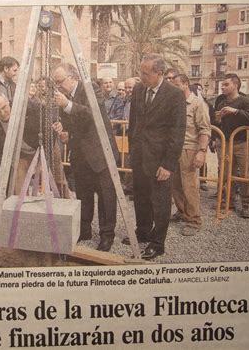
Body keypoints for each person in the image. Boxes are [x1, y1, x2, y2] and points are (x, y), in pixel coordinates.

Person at [52, 63, 119, 252]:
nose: (57, 86)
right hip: (80, 154)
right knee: (84, 195)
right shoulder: (64, 97)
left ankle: (107, 235)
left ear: (73, 77)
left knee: (106, 196)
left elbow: (91, 115)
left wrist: (67, 105)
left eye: (60, 81)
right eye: (55, 83)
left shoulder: (91, 89)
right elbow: (69, 123)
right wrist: (64, 131)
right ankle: (85, 229)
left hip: (100, 153)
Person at [126, 53, 186, 260]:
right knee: (141, 197)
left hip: (160, 161)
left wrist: (168, 165)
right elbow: (133, 122)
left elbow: (177, 132)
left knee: (160, 202)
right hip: (139, 156)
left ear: (159, 73)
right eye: (140, 72)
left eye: (145, 73)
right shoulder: (138, 89)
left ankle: (158, 243)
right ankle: (143, 232)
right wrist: (132, 148)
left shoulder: (175, 95)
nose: (141, 76)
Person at [171, 74, 211, 236]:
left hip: (189, 149)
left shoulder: (197, 103)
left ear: (186, 84)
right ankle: (182, 212)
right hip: (175, 149)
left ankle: (194, 220)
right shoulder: (176, 103)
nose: (174, 88)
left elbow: (204, 129)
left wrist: (201, 152)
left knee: (190, 187)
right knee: (175, 185)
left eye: (176, 84)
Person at [214, 73, 249, 218]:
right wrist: (218, 119)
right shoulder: (221, 103)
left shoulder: (245, 101)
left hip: (243, 143)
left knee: (246, 174)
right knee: (226, 174)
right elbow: (219, 124)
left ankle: (247, 205)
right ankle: (228, 201)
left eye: (226, 84)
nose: (222, 87)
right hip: (227, 143)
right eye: (222, 84)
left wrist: (236, 111)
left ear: (235, 85)